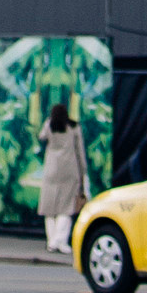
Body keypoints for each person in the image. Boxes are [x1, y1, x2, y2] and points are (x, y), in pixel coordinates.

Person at [38, 99, 88, 265]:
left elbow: (41, 136)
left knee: (49, 207)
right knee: (66, 207)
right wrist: (83, 171)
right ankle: (61, 241)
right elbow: (80, 151)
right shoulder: (74, 127)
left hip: (51, 169)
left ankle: (51, 241)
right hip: (69, 169)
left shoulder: (50, 125)